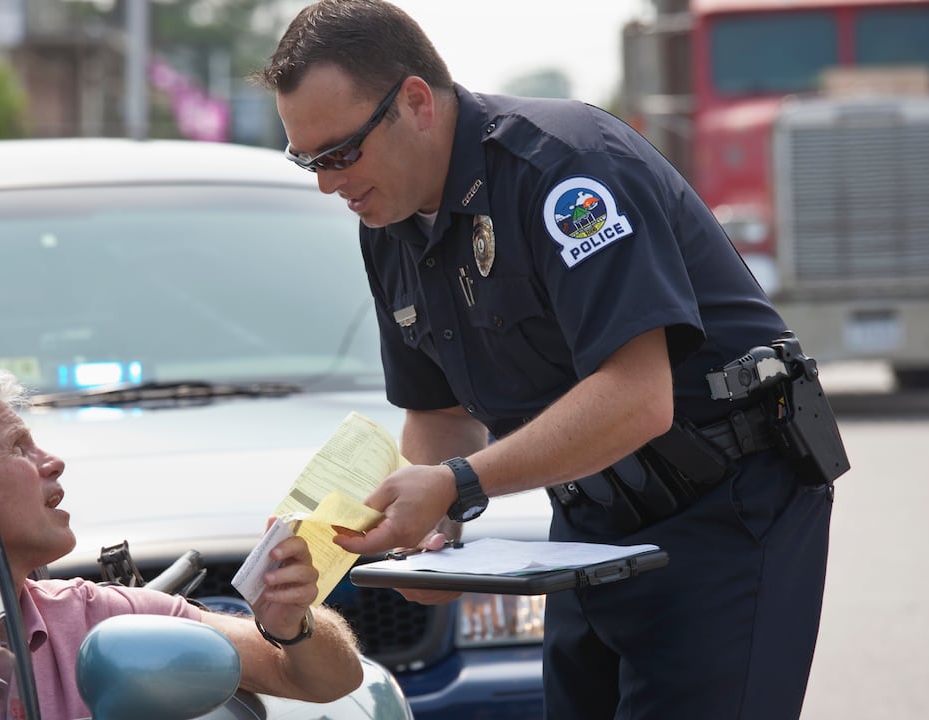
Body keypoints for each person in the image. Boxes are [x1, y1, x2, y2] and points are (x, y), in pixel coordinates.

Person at [253, 2, 845, 718]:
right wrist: (437, 538)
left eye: (340, 153)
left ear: (414, 103)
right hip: (589, 528)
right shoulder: (388, 223)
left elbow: (638, 397)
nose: (327, 183)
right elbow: (438, 412)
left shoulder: (564, 168)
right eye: (308, 160)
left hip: (726, 507)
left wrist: (456, 485)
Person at [0, 368, 364, 719]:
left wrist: (292, 623)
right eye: (20, 447)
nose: (54, 462)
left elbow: (328, 682)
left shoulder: (100, 615)